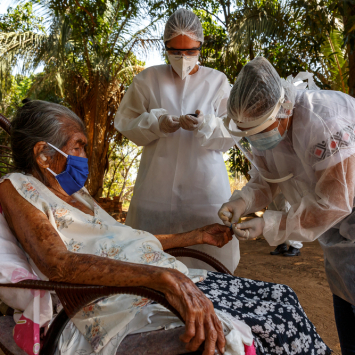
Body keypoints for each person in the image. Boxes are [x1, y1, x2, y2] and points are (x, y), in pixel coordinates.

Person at [0, 100, 331, 355]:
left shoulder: (77, 195)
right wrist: (162, 278)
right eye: (77, 146)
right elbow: (57, 263)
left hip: (161, 278)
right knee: (248, 328)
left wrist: (195, 237)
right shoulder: (17, 186)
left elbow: (123, 240)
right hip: (123, 300)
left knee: (280, 298)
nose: (84, 155)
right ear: (43, 154)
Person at [218, 57, 355, 355]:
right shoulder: (267, 124)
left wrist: (271, 224)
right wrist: (242, 201)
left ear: (284, 109)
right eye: (249, 134)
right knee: (347, 304)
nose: (256, 140)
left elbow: (335, 202)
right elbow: (268, 178)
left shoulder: (325, 122)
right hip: (337, 234)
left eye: (260, 130)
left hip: (347, 216)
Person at [114, 8, 239, 273]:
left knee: (210, 267)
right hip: (155, 193)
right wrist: (157, 123)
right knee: (151, 265)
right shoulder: (148, 79)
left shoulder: (217, 81)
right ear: (165, 46)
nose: (183, 58)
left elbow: (232, 132)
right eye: (176, 51)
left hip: (204, 192)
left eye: (190, 51)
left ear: (201, 46)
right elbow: (125, 122)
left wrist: (206, 124)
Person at [268, 190, 303, 256]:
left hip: (285, 189)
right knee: (274, 215)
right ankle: (281, 244)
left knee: (288, 216)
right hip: (272, 190)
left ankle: (295, 247)